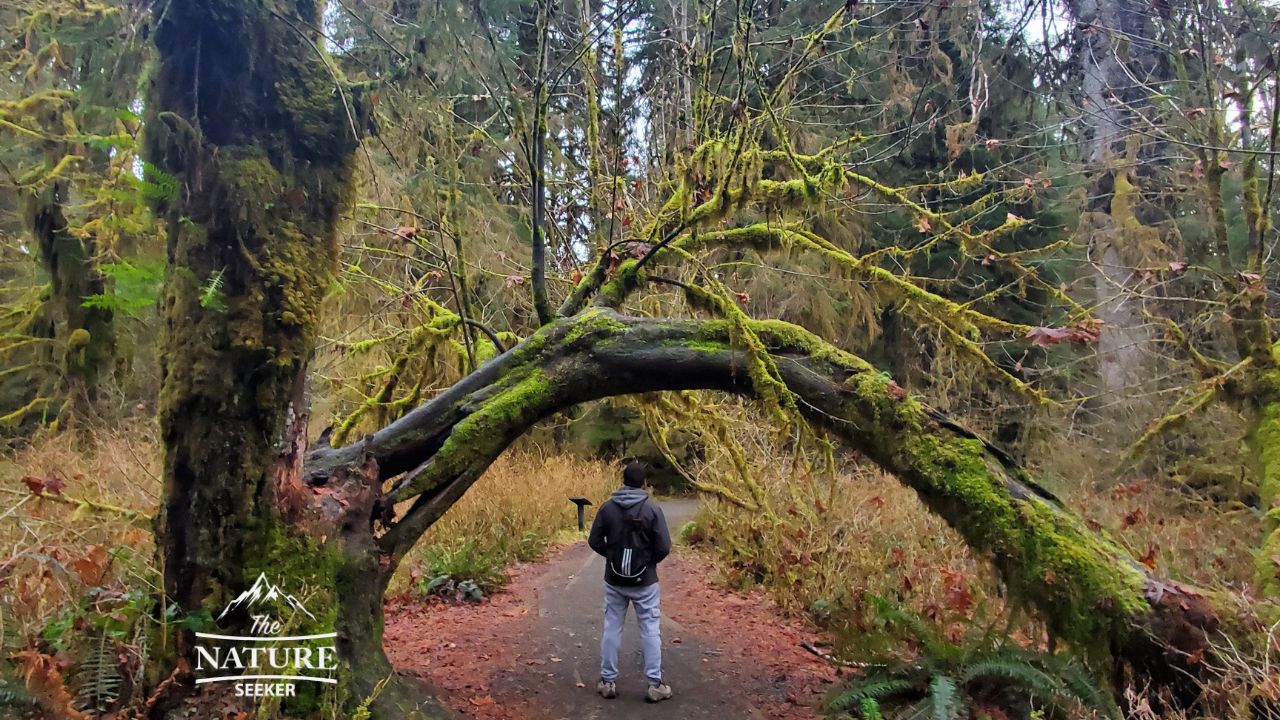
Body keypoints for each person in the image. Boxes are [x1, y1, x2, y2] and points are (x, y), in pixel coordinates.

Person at [587, 461, 673, 702]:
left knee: (612, 626)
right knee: (650, 629)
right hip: (645, 581)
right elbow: (664, 546)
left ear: (623, 481)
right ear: (643, 483)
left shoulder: (607, 508)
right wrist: (648, 563)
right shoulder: (652, 509)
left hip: (614, 580)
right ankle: (655, 684)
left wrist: (612, 556)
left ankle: (607, 681)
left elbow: (594, 541)